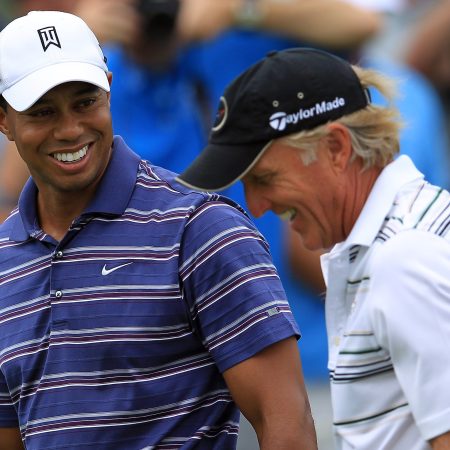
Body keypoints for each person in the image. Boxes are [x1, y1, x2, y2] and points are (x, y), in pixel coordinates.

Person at [0, 11, 318, 450]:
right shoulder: (4, 262)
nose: (70, 129)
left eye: (85, 102)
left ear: (109, 87)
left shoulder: (201, 228)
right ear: (3, 120)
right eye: (43, 112)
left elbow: (286, 419)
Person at [177, 48, 450, 449]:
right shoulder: (401, 240)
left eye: (265, 178)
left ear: (337, 149)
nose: (256, 207)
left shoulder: (402, 259)